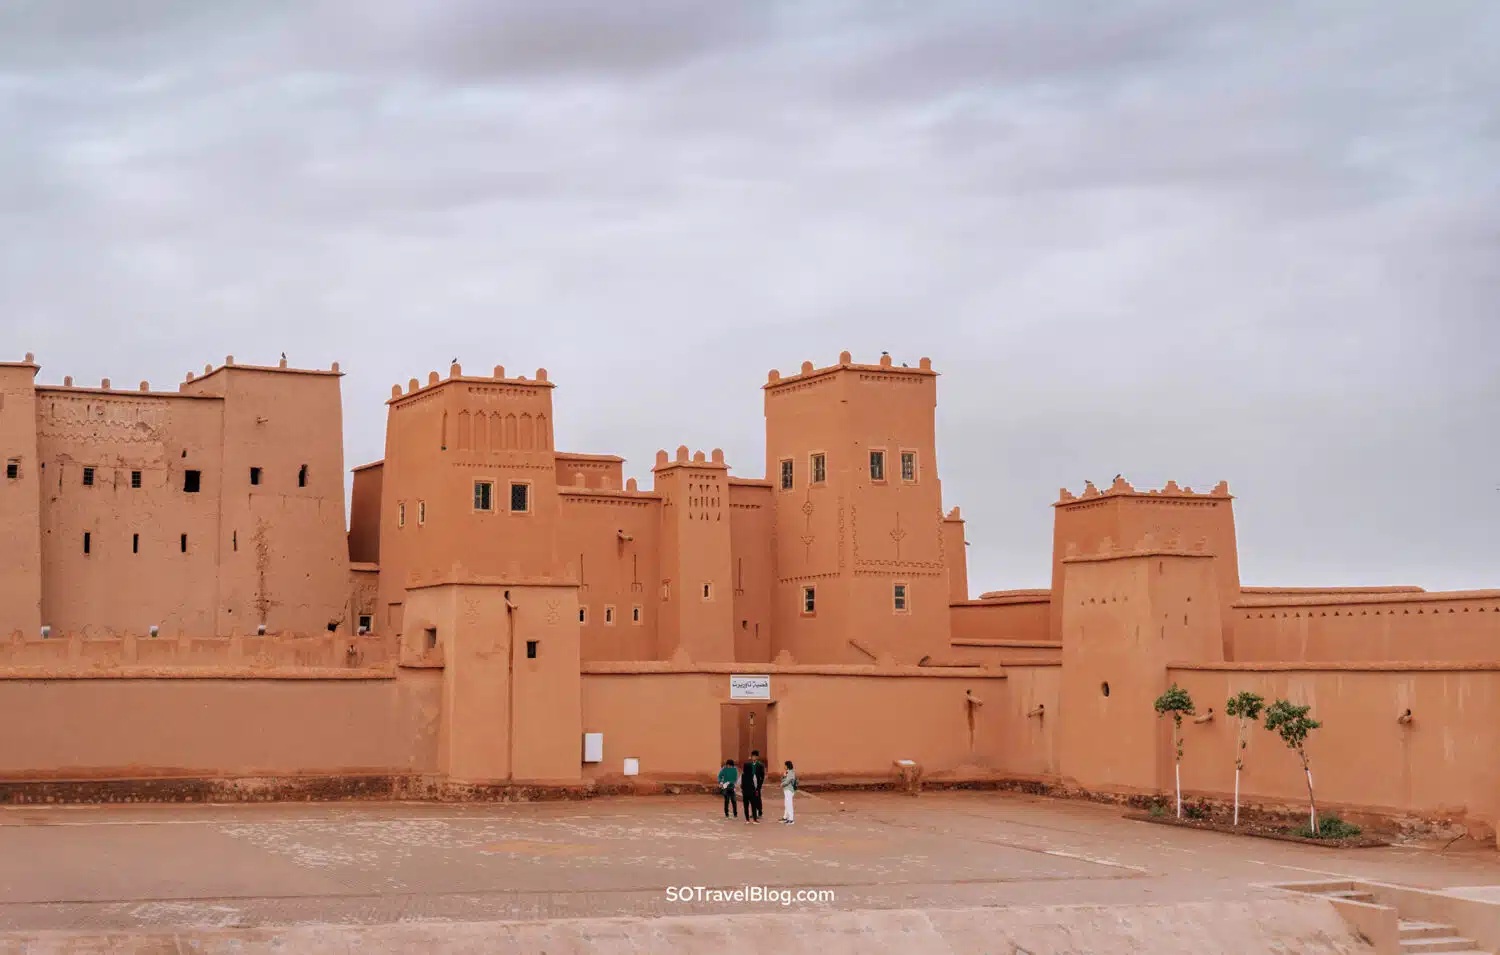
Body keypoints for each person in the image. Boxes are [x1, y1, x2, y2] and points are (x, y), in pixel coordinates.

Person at [742, 750, 765, 823]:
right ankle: (752, 815)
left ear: (757, 757)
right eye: (752, 756)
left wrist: (759, 785)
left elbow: (762, 776)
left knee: (758, 798)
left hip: (757, 784)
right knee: (751, 801)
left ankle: (760, 811)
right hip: (749, 785)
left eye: (755, 756)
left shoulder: (760, 765)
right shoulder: (748, 764)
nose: (753, 757)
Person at [780, 760, 797, 824]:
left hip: (789, 790)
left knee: (789, 804)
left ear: (787, 766)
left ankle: (791, 819)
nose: (784, 766)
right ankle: (786, 818)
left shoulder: (790, 772)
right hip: (786, 789)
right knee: (787, 804)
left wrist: (782, 784)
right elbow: (784, 779)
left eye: (785, 765)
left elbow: (788, 781)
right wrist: (784, 776)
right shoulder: (788, 772)